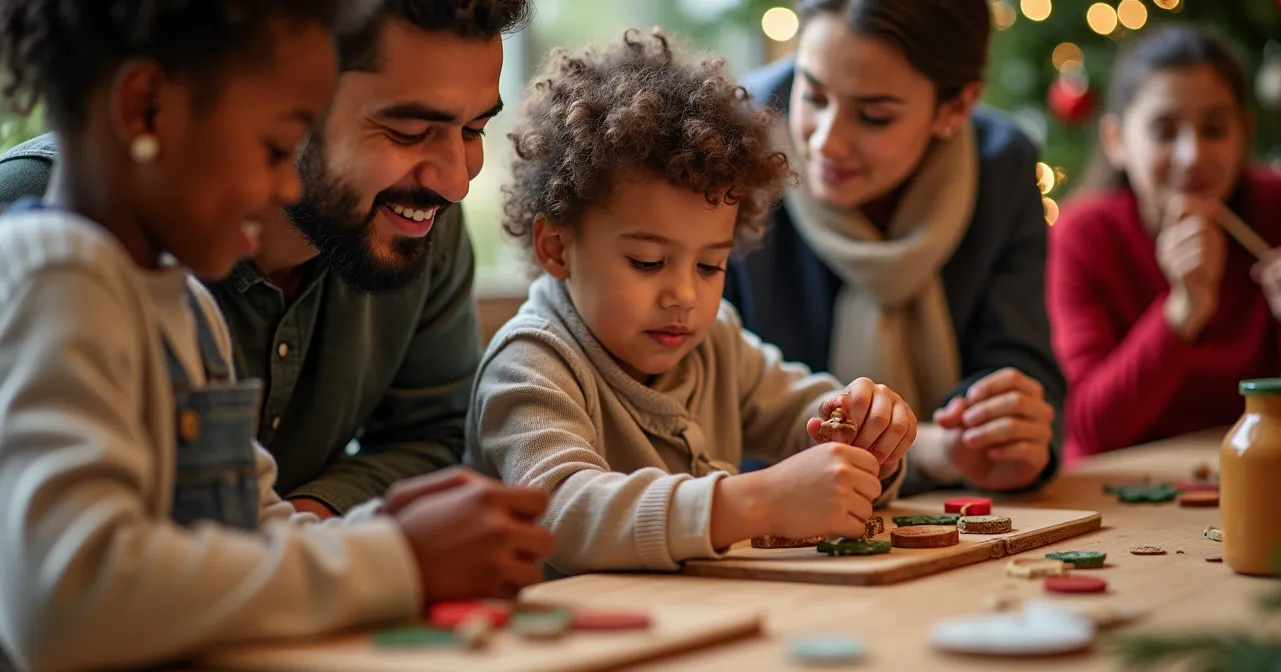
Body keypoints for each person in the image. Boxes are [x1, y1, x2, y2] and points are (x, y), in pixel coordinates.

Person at [0, 2, 553, 671]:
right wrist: (395, 557)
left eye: (474, 129)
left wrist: (385, 538)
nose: (285, 183)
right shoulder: (54, 276)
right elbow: (63, 602)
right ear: (145, 111)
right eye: (274, 146)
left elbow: (254, 521)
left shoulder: (180, 303)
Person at [465, 28, 917, 578]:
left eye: (710, 266)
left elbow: (806, 414)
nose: (684, 294)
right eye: (648, 262)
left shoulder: (715, 340)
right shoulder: (529, 365)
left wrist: (864, 435)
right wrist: (755, 501)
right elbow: (558, 513)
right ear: (557, 247)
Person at [725, 0, 1064, 494]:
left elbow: (1018, 360)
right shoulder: (730, 147)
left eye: (874, 116)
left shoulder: (1003, 168)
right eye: (814, 96)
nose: (827, 142)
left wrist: (1008, 425)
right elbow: (714, 410)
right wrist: (930, 449)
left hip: (957, 509)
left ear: (956, 108)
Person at [1048, 26, 1281, 458]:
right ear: (1117, 141)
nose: (1193, 156)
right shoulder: (1084, 235)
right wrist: (1184, 309)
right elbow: (1091, 429)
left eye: (1215, 128)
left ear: (1244, 132)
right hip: (1124, 492)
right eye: (1165, 131)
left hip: (1255, 469)